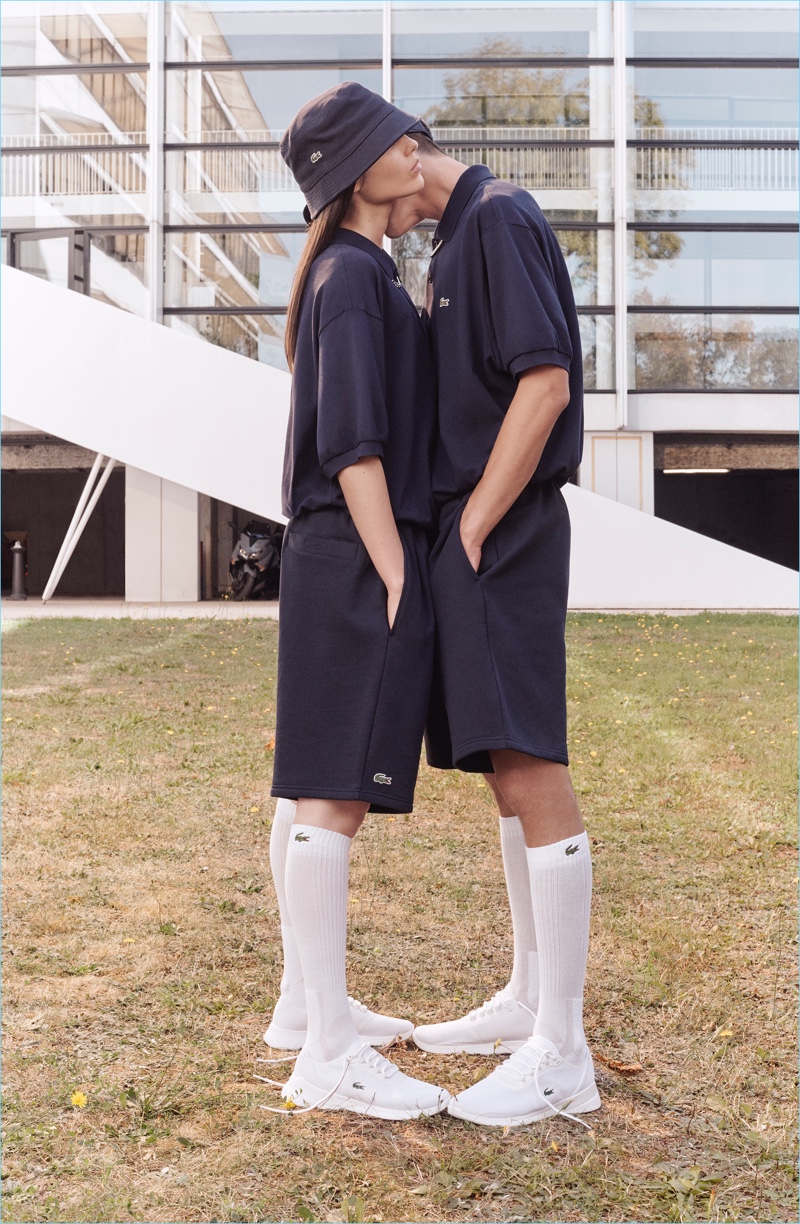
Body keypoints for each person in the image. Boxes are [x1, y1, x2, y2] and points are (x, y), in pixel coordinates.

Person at [385, 134, 601, 1127]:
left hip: (501, 530)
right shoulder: (453, 241)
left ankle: (562, 1049)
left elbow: (543, 380)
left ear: (407, 151)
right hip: (475, 534)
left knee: (527, 760)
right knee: (497, 767)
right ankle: (528, 1000)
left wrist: (473, 524)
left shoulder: (499, 214)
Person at [265, 83, 448, 1120]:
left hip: (341, 552)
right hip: (354, 553)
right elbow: (353, 446)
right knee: (332, 793)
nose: (412, 147)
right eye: (393, 138)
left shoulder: (361, 273)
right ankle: (327, 1055)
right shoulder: (348, 275)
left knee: (309, 790)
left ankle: (308, 1006)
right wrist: (391, 573)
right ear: (353, 171)